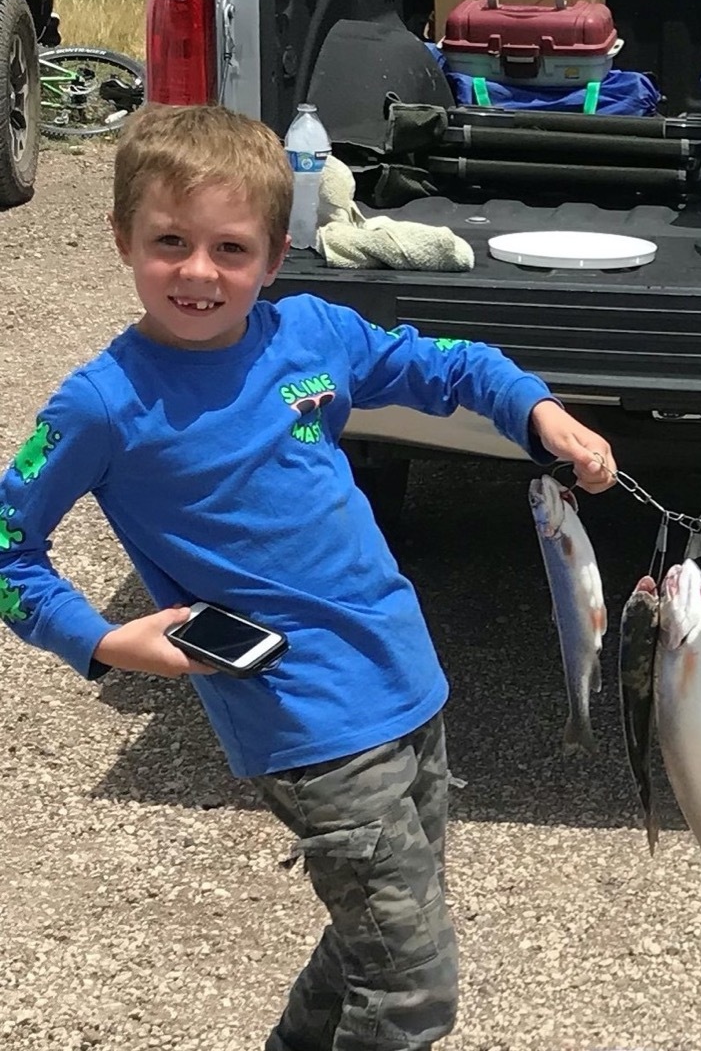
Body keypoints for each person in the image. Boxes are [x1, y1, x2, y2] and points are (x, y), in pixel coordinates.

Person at [0, 104, 617, 1050]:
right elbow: (7, 546)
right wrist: (100, 638)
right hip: (304, 719)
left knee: (370, 938)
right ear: (122, 238)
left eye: (230, 249)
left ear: (275, 257)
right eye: (169, 242)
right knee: (412, 983)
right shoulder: (101, 403)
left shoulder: (314, 335)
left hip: (408, 684)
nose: (199, 272)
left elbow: (445, 366)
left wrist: (540, 414)